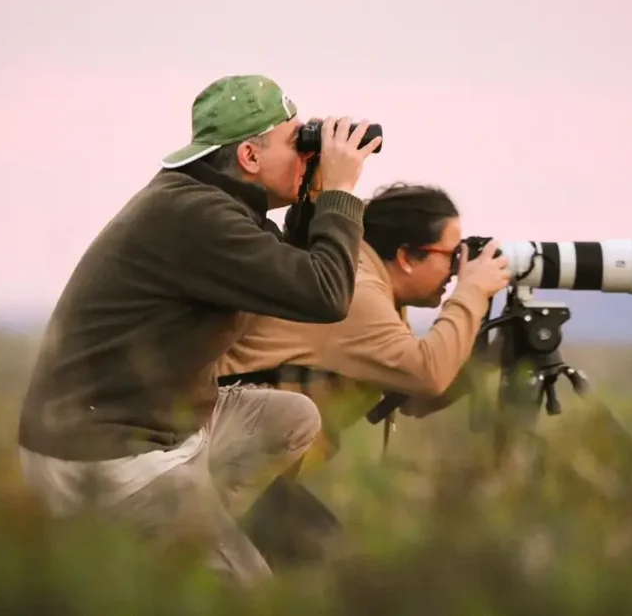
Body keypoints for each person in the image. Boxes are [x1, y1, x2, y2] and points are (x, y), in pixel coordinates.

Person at [15, 73, 382, 585]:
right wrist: (342, 192)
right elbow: (325, 294)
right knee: (253, 592)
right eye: (296, 141)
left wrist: (313, 196)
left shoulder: (207, 204)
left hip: (143, 425)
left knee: (292, 418)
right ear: (249, 158)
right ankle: (187, 553)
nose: (307, 152)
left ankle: (187, 533)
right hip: (109, 453)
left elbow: (292, 277)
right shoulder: (200, 219)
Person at [215, 182, 511, 565]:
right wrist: (471, 293)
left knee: (326, 563)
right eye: (451, 257)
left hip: (249, 461)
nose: (455, 272)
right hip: (227, 460)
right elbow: (428, 375)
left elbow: (413, 398)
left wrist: (496, 354)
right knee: (332, 567)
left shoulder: (370, 284)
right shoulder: (357, 291)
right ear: (407, 256)